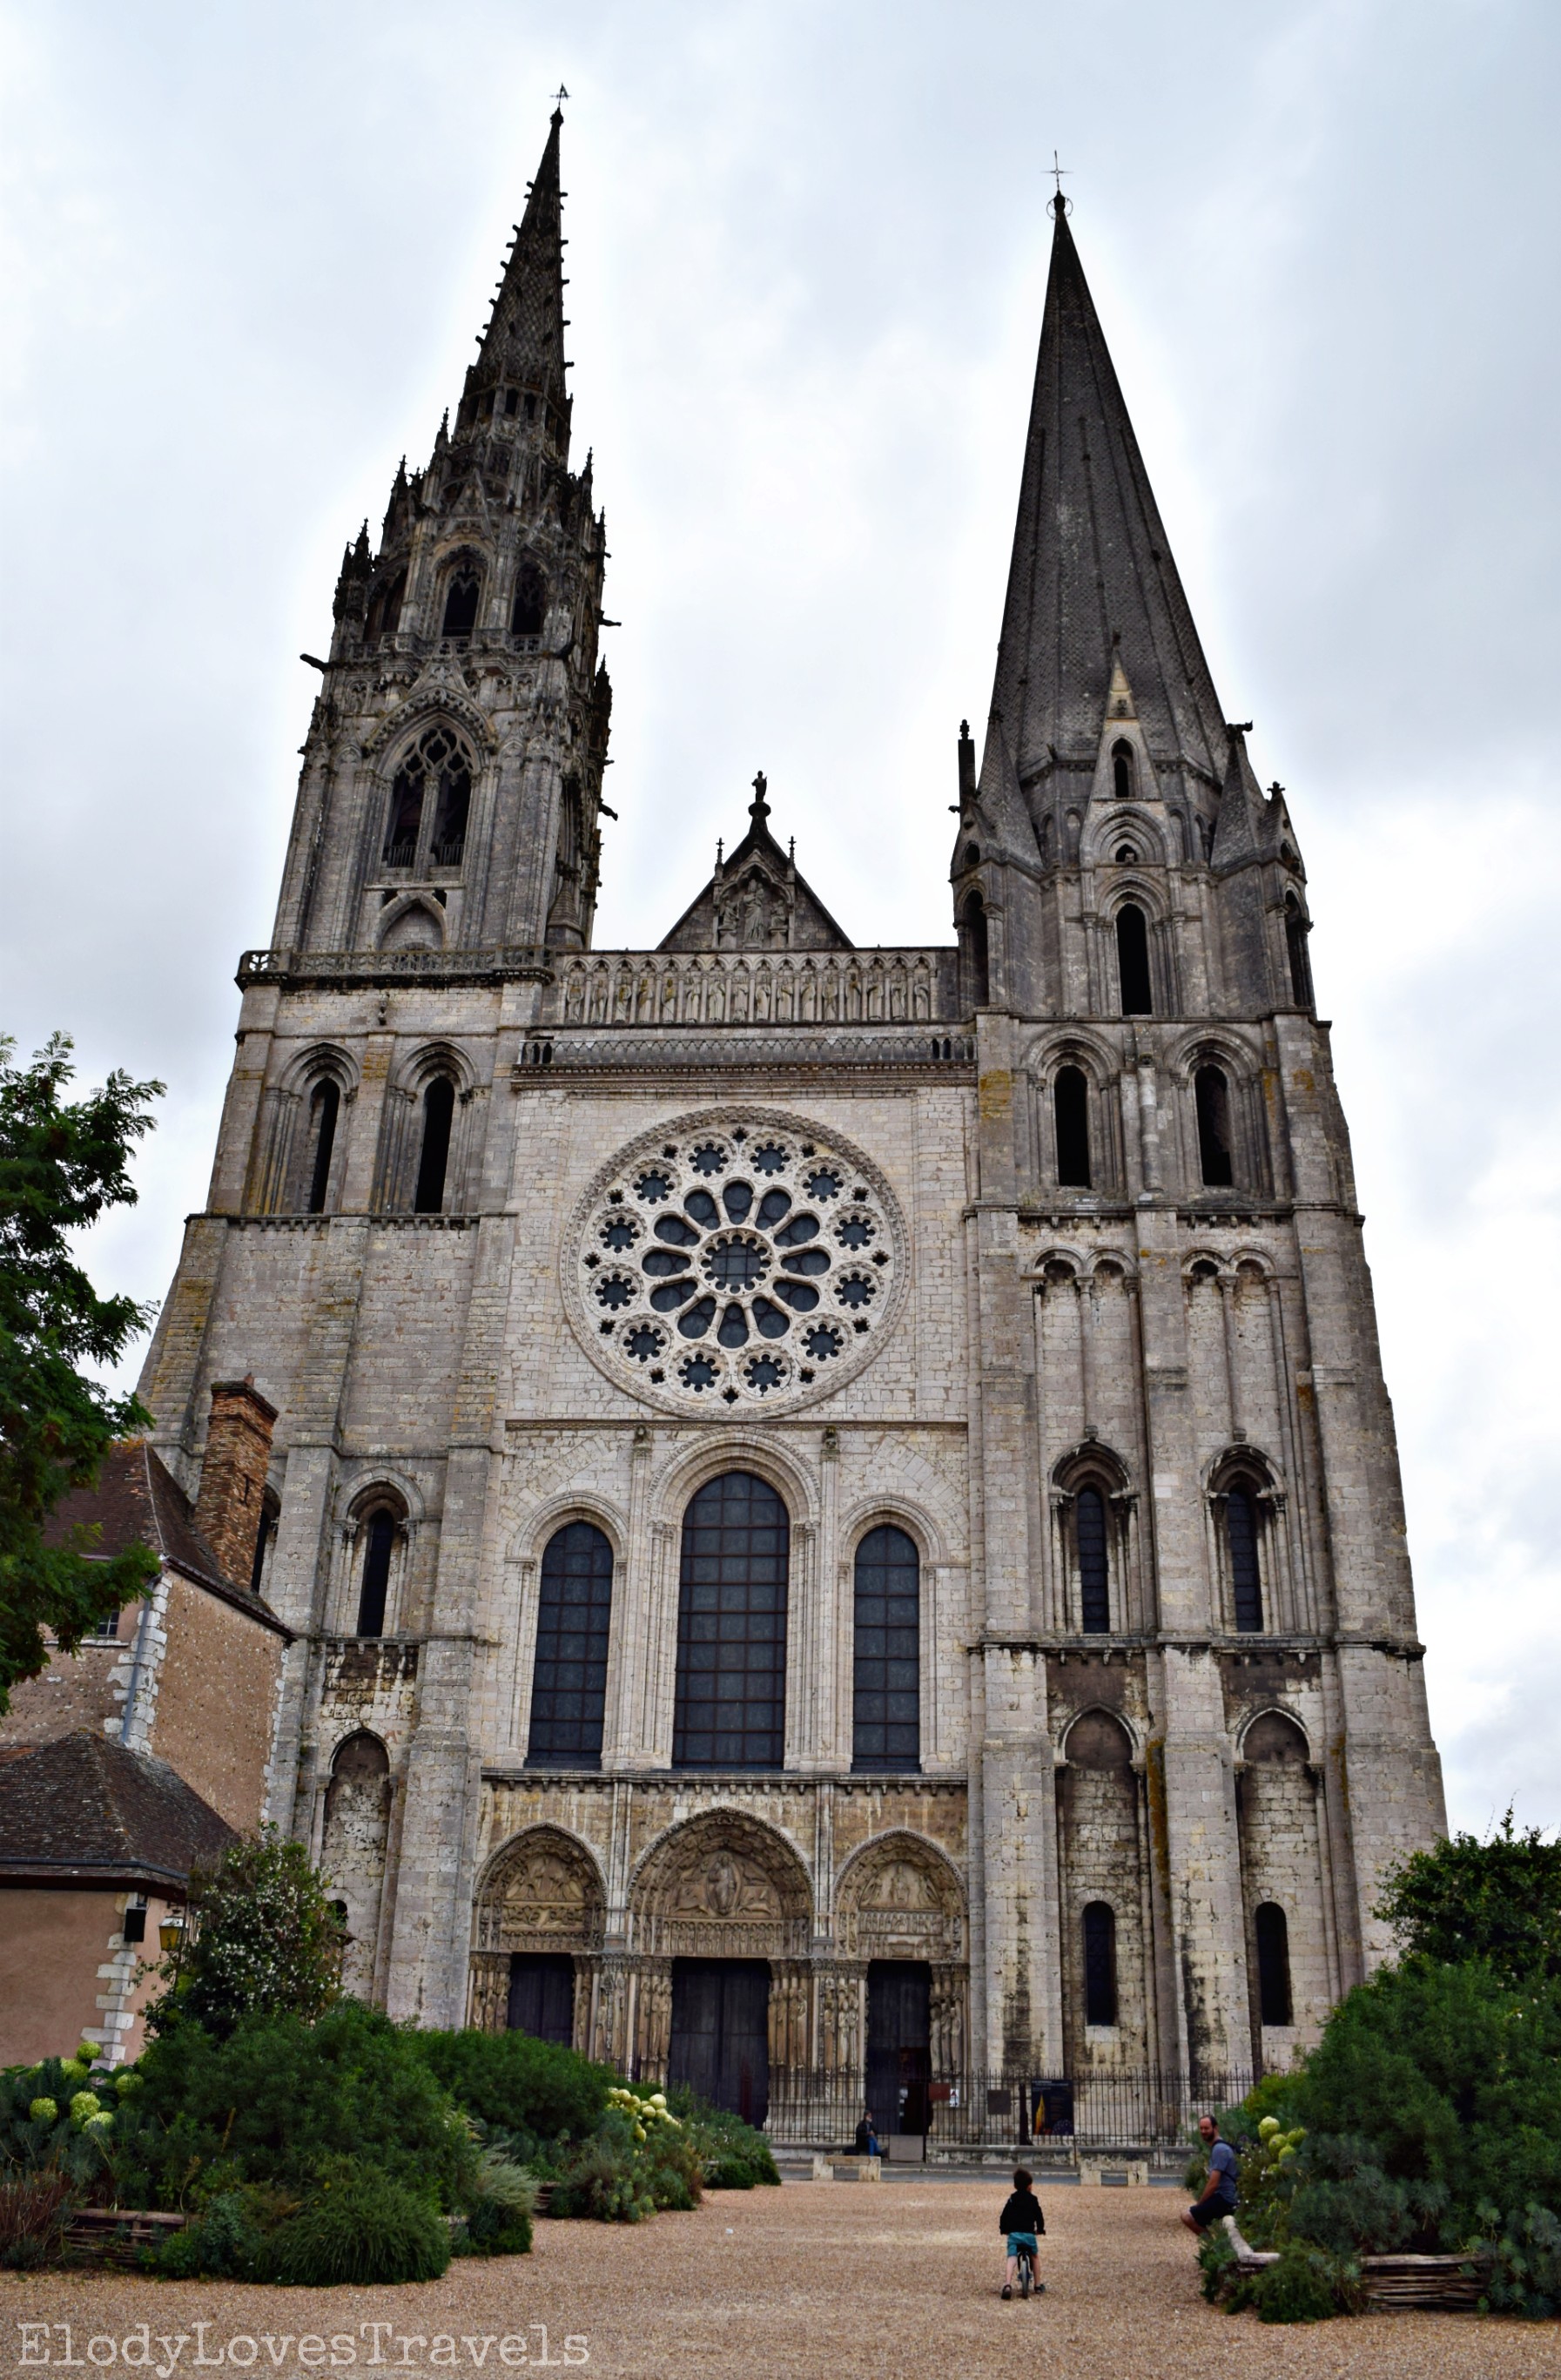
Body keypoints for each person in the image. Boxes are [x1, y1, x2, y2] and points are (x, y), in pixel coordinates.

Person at [1181, 2114, 1239, 2235]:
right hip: (1225, 2197)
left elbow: (1213, 2184)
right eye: (1201, 2128)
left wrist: (1200, 2204)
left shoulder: (1219, 2149)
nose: (1203, 2131)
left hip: (1226, 2199)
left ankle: (1211, 2245)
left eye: (1206, 2128)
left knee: (1187, 2216)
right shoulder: (1220, 2147)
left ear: (1215, 2128)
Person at [997, 2165, 1046, 2298]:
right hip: (1029, 2235)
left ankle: (1007, 2284)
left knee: (1011, 2257)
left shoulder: (1012, 2199)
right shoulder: (1033, 2200)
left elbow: (1004, 2216)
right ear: (1029, 2186)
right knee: (1035, 2256)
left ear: (1015, 2185)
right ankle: (1037, 2285)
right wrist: (1040, 2229)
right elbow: (1039, 2216)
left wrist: (1004, 2229)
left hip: (1014, 2235)